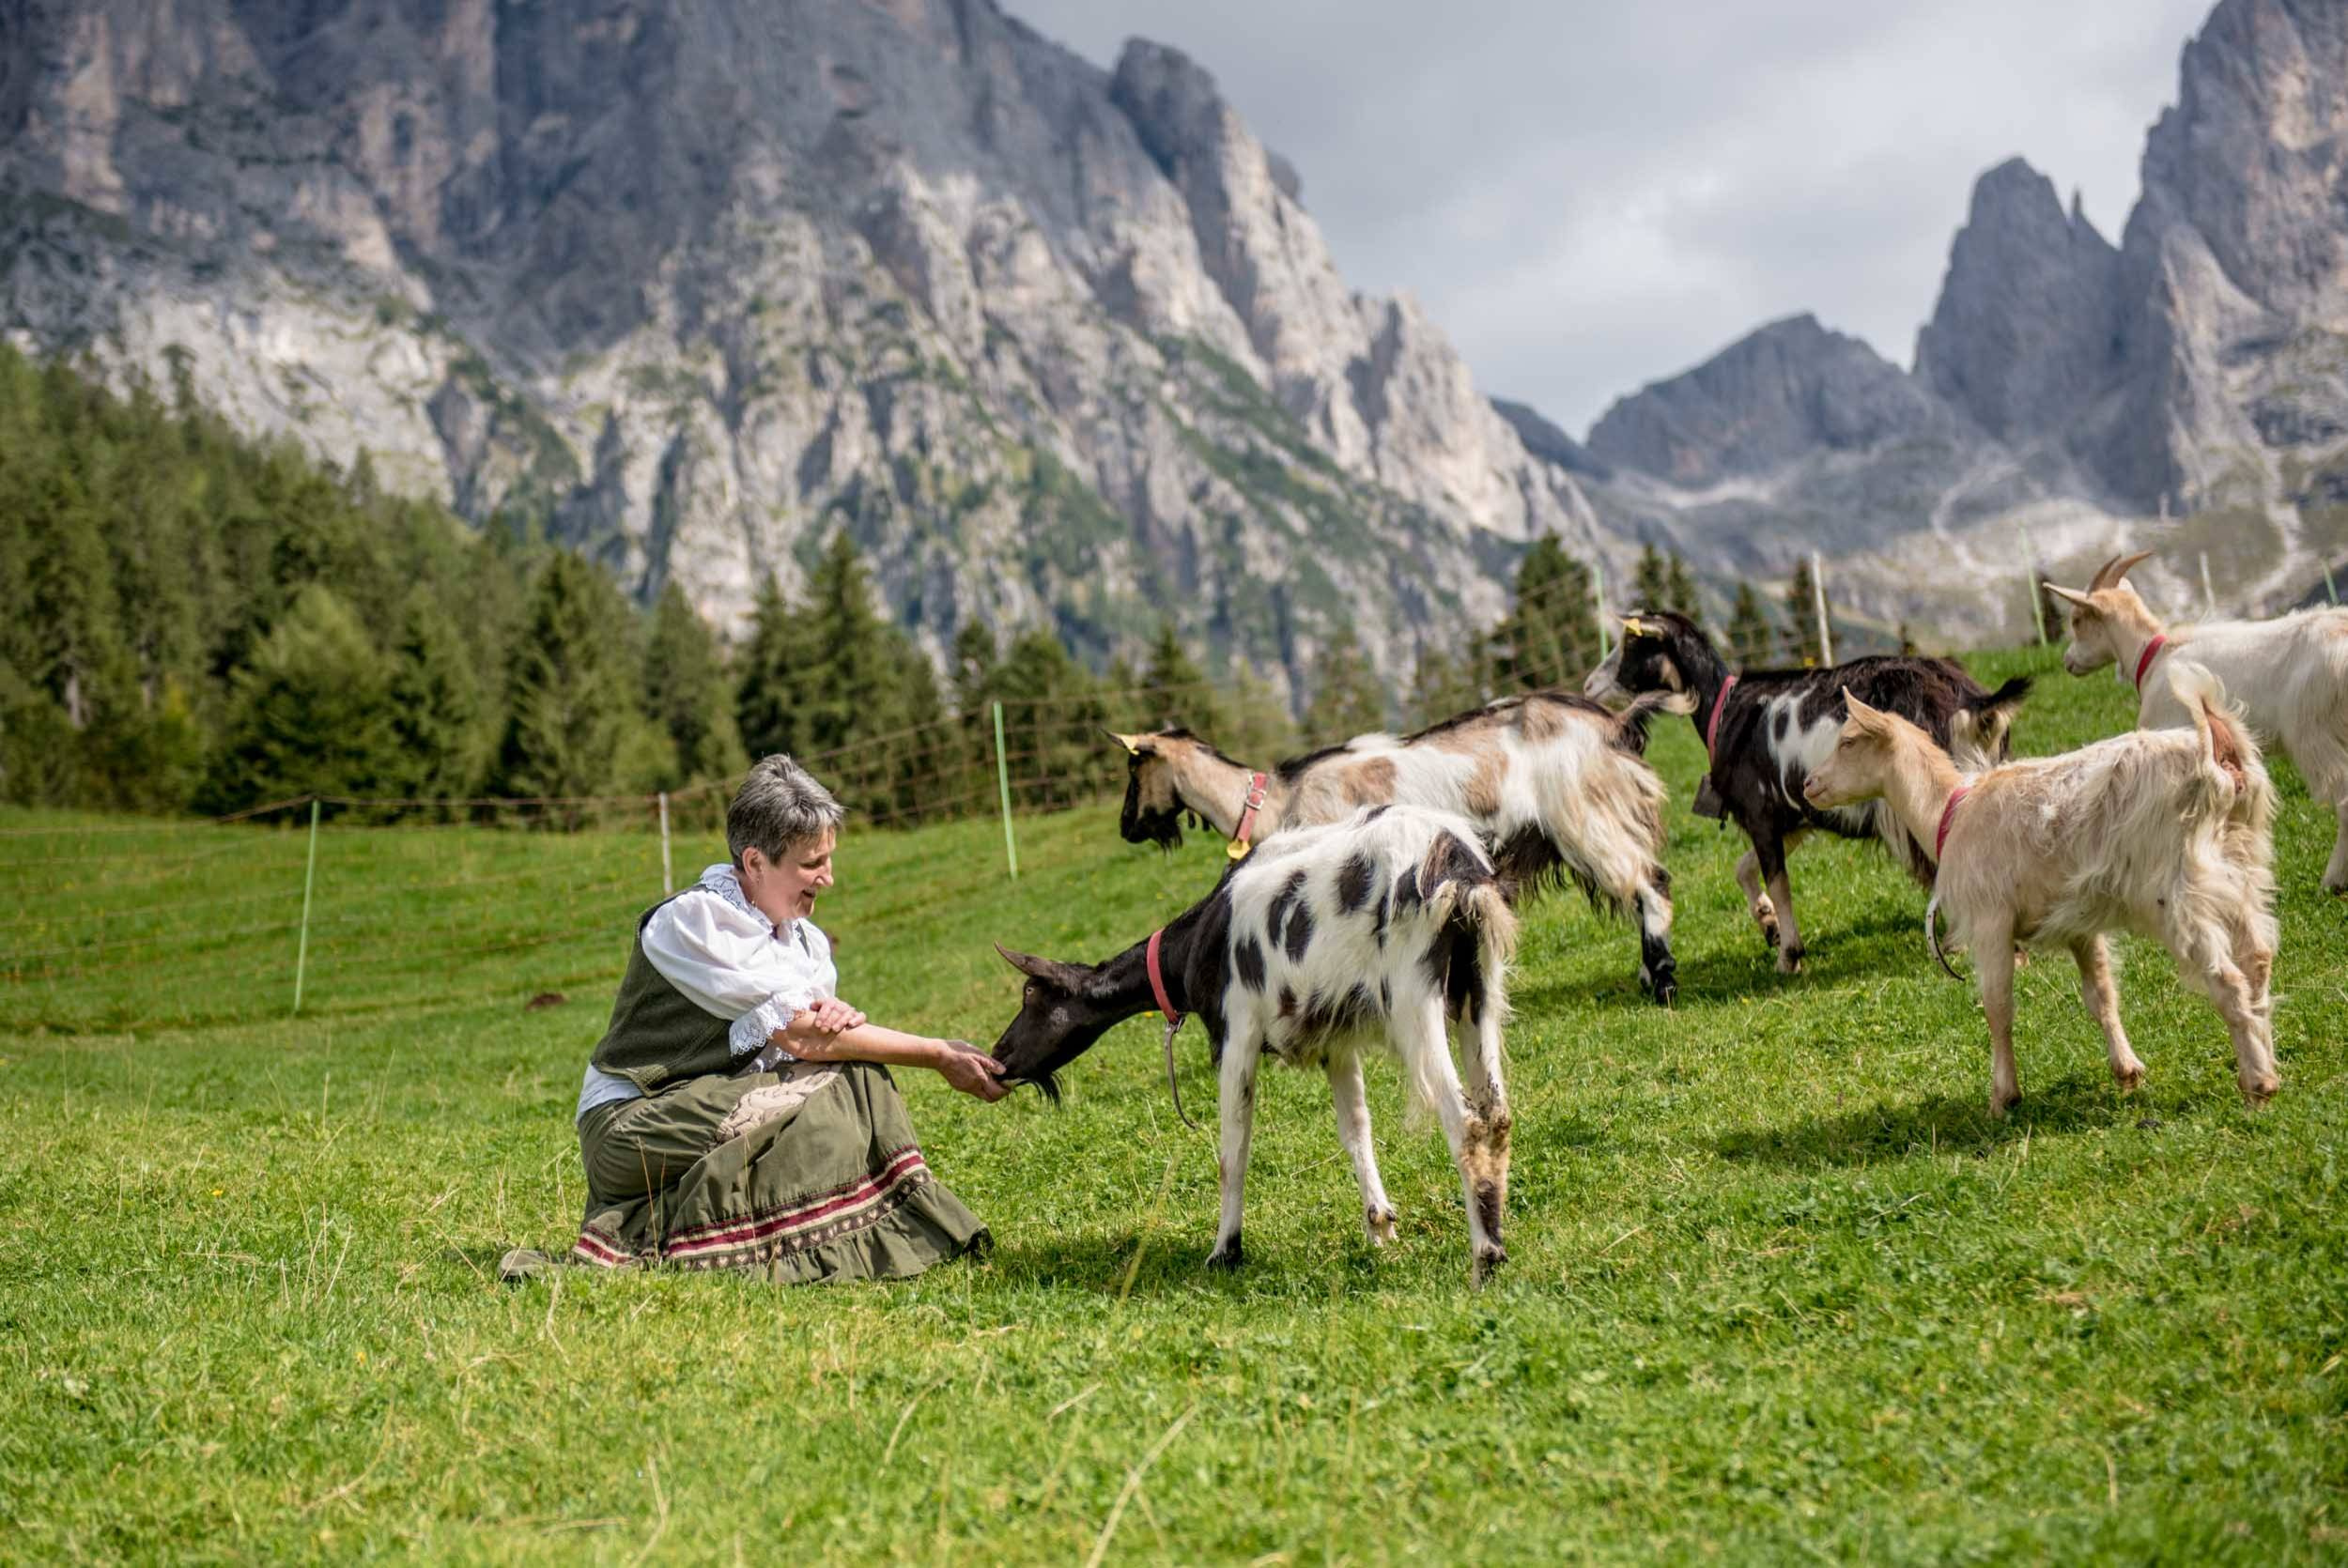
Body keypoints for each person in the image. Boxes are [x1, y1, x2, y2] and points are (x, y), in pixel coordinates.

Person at [568, 755, 1002, 1281]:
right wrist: (936, 1053)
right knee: (842, 1081)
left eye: (829, 859)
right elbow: (803, 1041)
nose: (829, 878)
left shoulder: (804, 943)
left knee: (855, 1078)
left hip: (709, 1106)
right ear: (755, 863)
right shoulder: (697, 921)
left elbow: (813, 1040)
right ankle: (704, 1235)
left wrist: (837, 1021)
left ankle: (720, 1227)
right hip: (633, 1126)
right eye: (812, 863)